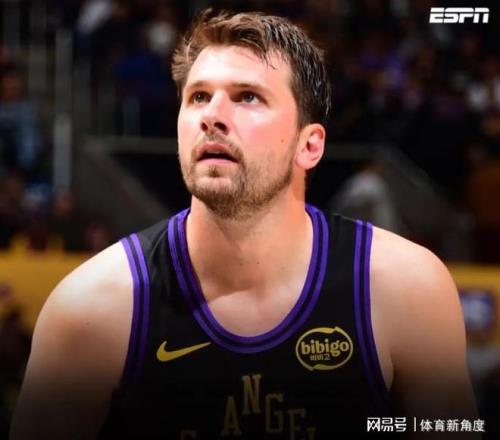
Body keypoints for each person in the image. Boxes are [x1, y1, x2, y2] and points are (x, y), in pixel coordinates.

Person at [11, 9, 479, 439]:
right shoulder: (90, 311)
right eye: (198, 97)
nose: (212, 117)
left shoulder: (407, 288)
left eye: (247, 97)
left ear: (309, 146)